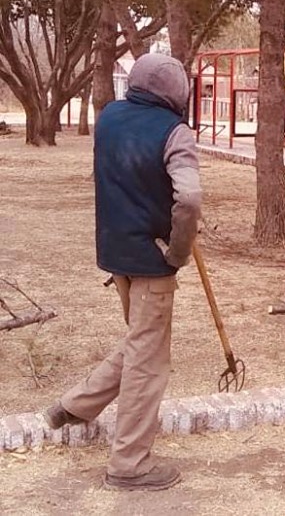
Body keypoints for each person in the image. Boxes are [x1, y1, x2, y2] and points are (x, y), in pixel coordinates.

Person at [42, 53, 201, 492]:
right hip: (152, 260)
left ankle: (73, 406)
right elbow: (189, 199)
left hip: (116, 254)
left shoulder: (109, 117)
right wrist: (179, 251)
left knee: (141, 341)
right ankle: (129, 464)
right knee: (148, 363)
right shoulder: (175, 132)